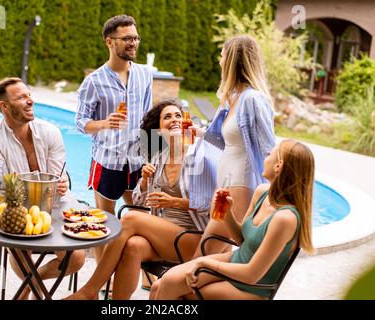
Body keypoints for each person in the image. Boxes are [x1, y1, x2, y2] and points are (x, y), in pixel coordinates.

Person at [65, 100, 209, 300]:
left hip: (195, 239)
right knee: (133, 246)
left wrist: (175, 202)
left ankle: (90, 290)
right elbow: (140, 202)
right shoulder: (159, 157)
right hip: (166, 238)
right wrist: (144, 182)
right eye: (167, 117)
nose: (174, 119)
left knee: (131, 219)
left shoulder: (199, 156)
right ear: (158, 129)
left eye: (178, 115)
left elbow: (212, 206)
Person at [151, 139, 316, 300]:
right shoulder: (262, 193)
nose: (264, 158)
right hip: (235, 264)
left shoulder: (285, 219)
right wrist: (227, 214)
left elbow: (251, 275)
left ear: (278, 166)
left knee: (175, 291)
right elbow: (242, 241)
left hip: (250, 287)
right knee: (161, 284)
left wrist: (205, 263)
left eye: (269, 155)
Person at [0, 77, 85, 299]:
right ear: (4, 106)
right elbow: (2, 188)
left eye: (29, 95)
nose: (30, 101)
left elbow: (59, 176)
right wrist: (47, 186)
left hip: (56, 205)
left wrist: (62, 182)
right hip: (14, 207)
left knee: (76, 259)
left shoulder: (50, 131)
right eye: (21, 97)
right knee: (20, 248)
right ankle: (41, 294)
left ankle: (27, 288)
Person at [75, 15, 153, 266]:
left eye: (136, 38)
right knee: (103, 223)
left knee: (144, 217)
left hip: (138, 159)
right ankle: (101, 281)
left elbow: (148, 117)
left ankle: (145, 274)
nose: (134, 43)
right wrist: (105, 123)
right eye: (127, 38)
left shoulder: (144, 74)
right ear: (110, 41)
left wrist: (155, 156)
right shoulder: (93, 82)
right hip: (107, 161)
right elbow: (80, 122)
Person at [190, 35, 276, 253]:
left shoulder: (253, 100)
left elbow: (269, 148)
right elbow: (226, 142)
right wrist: (199, 133)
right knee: (218, 253)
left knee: (203, 255)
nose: (219, 61)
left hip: (241, 182)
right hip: (225, 181)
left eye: (222, 56)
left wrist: (274, 193)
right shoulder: (232, 99)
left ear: (232, 61)